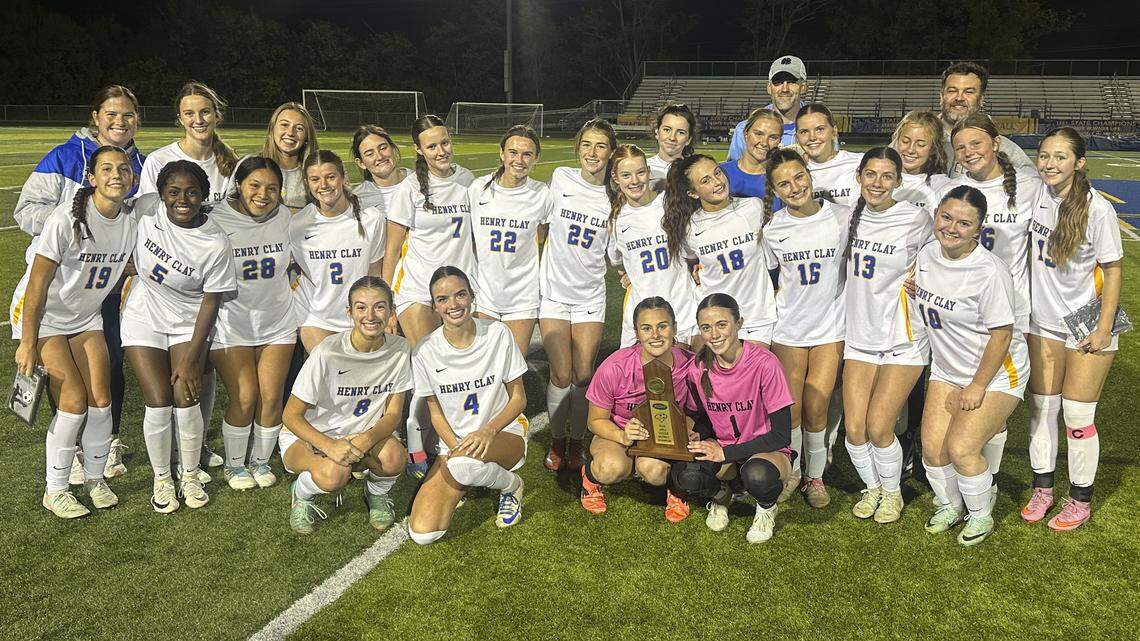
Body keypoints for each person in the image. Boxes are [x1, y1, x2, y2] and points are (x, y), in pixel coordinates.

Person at [13, 85, 145, 481]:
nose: (119, 122)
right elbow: (26, 210)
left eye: (128, 116)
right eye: (112, 114)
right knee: (66, 379)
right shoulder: (65, 156)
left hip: (99, 289)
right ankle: (68, 451)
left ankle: (106, 444)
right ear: (95, 116)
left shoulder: (141, 163)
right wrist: (76, 231)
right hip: (60, 281)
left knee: (109, 369)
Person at [913, 186, 1028, 545]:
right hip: (948, 368)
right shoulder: (928, 253)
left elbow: (1002, 336)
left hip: (996, 372)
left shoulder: (990, 271)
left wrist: (977, 386)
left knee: (962, 449)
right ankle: (950, 504)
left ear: (978, 230)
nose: (951, 227)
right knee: (932, 449)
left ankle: (981, 513)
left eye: (964, 223)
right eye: (946, 217)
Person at [122, 161, 237, 513]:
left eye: (191, 192)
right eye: (173, 192)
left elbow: (210, 303)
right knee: (158, 399)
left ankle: (189, 474)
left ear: (204, 196)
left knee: (185, 396)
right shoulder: (146, 212)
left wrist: (190, 358)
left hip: (189, 322)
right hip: (144, 314)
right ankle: (162, 479)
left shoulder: (215, 241)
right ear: (162, 195)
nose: (182, 199)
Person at [1023, 127, 1122, 531]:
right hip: (1043, 322)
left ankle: (1080, 498)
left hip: (1087, 323)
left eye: (1060, 157)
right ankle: (1042, 488)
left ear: (1079, 162)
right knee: (1042, 410)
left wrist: (1102, 329)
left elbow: (1113, 271)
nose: (1049, 164)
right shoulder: (1036, 194)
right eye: (1044, 155)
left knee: (1078, 417)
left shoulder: (1098, 209)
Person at [941, 113, 1043, 497]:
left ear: (997, 143)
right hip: (959, 313)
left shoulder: (1030, 187)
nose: (969, 153)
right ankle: (975, 477)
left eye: (976, 144)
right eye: (961, 147)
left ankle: (992, 478)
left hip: (1009, 314)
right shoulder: (953, 188)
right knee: (970, 404)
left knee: (994, 401)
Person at [841, 147, 933, 523]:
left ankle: (892, 493)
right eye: (871, 175)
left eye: (887, 176)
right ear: (859, 176)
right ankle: (873, 487)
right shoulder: (847, 215)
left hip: (902, 336)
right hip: (860, 334)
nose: (877, 183)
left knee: (880, 426)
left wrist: (922, 278)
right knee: (854, 428)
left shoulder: (917, 218)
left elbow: (940, 260)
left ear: (898, 181)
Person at [407, 267, 529, 544]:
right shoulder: (425, 351)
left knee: (463, 466)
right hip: (455, 444)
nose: (453, 305)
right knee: (423, 532)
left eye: (460, 295)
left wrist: (488, 431)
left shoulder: (498, 334)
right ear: (434, 305)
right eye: (443, 299)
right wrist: (453, 447)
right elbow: (434, 411)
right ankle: (469, 472)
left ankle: (512, 486)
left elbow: (519, 398)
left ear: (472, 296)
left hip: (503, 433)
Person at [282, 277, 410, 535]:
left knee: (395, 458)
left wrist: (366, 439)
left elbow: (394, 413)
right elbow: (291, 416)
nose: (370, 316)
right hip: (313, 437)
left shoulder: (400, 349)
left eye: (380, 307)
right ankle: (302, 493)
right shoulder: (328, 352)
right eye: (361, 307)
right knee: (334, 475)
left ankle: (376, 493)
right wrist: (328, 445)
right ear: (349, 312)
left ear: (392, 311)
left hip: (363, 435)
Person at [384, 115, 477, 469]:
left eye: (445, 142)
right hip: (417, 292)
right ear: (419, 151)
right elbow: (393, 250)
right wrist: (389, 303)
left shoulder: (468, 181)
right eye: (432, 145)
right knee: (429, 369)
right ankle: (416, 443)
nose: (441, 151)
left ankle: (445, 441)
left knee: (454, 371)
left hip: (456, 294)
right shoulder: (408, 189)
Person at [760, 148, 850, 508]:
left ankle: (815, 476)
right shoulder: (773, 229)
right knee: (791, 409)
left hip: (830, 327)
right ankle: (792, 470)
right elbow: (768, 277)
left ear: (810, 176)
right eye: (784, 183)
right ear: (775, 190)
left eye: (799, 177)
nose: (794, 186)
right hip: (790, 329)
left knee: (817, 405)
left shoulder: (842, 218)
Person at [671, 294, 795, 542]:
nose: (714, 334)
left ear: (739, 322)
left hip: (766, 451)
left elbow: (781, 435)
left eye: (722, 324)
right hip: (725, 448)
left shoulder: (765, 364)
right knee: (685, 474)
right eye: (706, 328)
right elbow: (702, 415)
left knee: (757, 474)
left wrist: (725, 454)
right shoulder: (698, 368)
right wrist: (700, 434)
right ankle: (723, 496)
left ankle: (766, 508)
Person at [209, 156, 296, 490]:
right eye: (255, 186)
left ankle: (259, 460)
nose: (263, 194)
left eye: (272, 188)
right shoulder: (216, 220)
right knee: (245, 397)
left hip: (278, 322)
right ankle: (234, 465)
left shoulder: (287, 218)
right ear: (238, 185)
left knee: (272, 397)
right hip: (232, 323)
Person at [539, 119, 617, 472]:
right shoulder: (561, 178)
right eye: (587, 144)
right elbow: (540, 225)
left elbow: (617, 251)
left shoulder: (614, 198)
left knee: (584, 374)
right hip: (554, 293)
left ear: (610, 153)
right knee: (560, 373)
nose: (592, 152)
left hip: (589, 296)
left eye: (600, 146)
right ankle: (557, 441)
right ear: (578, 148)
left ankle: (577, 442)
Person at [582, 297, 695, 522]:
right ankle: (590, 479)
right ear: (636, 332)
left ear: (674, 328)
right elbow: (595, 420)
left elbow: (697, 411)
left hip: (663, 436)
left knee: (654, 472)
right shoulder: (614, 367)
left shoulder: (690, 366)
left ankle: (675, 488)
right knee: (609, 468)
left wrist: (687, 428)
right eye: (646, 328)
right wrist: (622, 435)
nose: (655, 335)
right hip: (618, 430)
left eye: (662, 326)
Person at [662, 154, 776, 349]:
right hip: (712, 317)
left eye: (717, 173)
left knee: (748, 377)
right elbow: (689, 262)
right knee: (707, 378)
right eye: (705, 180)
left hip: (756, 317)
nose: (717, 182)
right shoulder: (689, 228)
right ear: (693, 193)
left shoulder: (753, 207)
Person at [289, 150, 386, 353]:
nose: (323, 185)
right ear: (307, 183)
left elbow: (375, 272)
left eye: (330, 177)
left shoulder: (371, 219)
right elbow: (303, 272)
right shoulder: (299, 224)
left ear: (343, 177)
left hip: (362, 317)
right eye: (315, 179)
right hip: (316, 317)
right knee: (329, 375)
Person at [470, 124, 552, 354]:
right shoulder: (478, 189)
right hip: (484, 292)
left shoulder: (542, 195)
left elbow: (547, 237)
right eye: (513, 152)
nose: (519, 159)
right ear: (502, 153)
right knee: (484, 363)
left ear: (536, 158)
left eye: (527, 154)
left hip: (522, 296)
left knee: (514, 366)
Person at [606, 145, 699, 348]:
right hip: (642, 313)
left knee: (683, 373)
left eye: (640, 172)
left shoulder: (668, 205)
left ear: (648, 172)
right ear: (615, 178)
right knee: (640, 377)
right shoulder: (617, 219)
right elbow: (617, 260)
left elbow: (692, 250)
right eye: (626, 175)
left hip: (681, 307)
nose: (634, 181)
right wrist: (631, 272)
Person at [139, 81, 238, 203]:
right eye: (189, 113)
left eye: (205, 112)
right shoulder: (158, 161)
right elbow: (148, 212)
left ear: (216, 115)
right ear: (180, 119)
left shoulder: (232, 162)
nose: (198, 120)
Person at [937, 61, 1034, 176]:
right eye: (952, 91)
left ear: (981, 99)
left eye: (968, 92)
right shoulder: (918, 140)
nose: (959, 97)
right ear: (942, 96)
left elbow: (1032, 183)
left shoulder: (1003, 147)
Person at [727, 55, 806, 161]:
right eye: (778, 82)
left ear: (803, 87)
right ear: (769, 88)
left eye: (792, 82)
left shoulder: (819, 129)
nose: (785, 89)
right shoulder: (745, 129)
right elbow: (734, 174)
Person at [796, 103, 861, 207]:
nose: (812, 137)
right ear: (797, 138)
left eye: (820, 129)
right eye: (804, 132)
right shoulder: (795, 172)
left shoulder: (860, 163)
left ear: (834, 132)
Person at [260, 102, 320, 212]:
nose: (290, 133)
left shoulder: (318, 173)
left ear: (307, 137)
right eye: (284, 125)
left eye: (299, 128)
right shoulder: (253, 168)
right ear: (272, 129)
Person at [890, 110, 951, 211]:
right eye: (905, 141)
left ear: (933, 149)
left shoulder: (941, 186)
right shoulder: (875, 175)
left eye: (920, 145)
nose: (910, 150)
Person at [719, 107, 783, 199]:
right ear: (746, 134)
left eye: (773, 137)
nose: (764, 143)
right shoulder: (720, 174)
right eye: (758, 134)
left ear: (779, 141)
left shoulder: (783, 178)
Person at [351, 125, 408, 213]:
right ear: (361, 163)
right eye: (370, 154)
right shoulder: (358, 199)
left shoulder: (420, 179)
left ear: (393, 149)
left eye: (383, 148)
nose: (380, 157)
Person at [647, 103, 698, 187]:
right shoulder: (642, 168)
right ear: (657, 133)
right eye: (667, 130)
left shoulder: (696, 171)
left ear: (688, 140)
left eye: (680, 132)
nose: (672, 138)